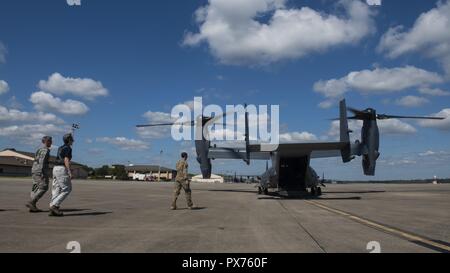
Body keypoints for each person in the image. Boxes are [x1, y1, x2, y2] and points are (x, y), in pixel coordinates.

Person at [49, 134, 74, 217]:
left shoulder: (60, 147)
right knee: (67, 189)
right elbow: (66, 159)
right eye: (72, 139)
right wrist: (69, 171)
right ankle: (55, 206)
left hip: (55, 168)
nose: (73, 140)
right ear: (69, 140)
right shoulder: (68, 148)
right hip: (61, 169)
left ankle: (52, 207)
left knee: (56, 189)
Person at [26, 136, 52, 213]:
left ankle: (32, 206)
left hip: (34, 170)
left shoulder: (39, 149)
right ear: (46, 141)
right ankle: (32, 202)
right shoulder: (45, 150)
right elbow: (41, 161)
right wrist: (42, 172)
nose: (51, 142)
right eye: (50, 141)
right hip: (39, 171)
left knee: (35, 187)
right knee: (44, 187)